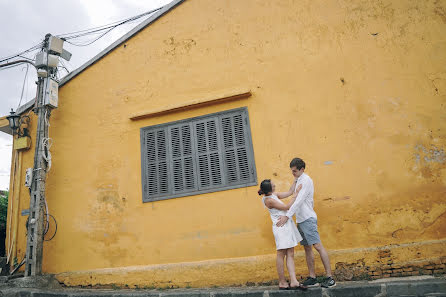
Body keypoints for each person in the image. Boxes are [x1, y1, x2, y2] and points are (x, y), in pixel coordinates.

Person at [276, 158, 336, 288]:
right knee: (307, 248)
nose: (293, 173)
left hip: (308, 219)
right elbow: (291, 193)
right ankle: (312, 277)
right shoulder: (298, 179)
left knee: (318, 246)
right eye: (292, 171)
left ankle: (330, 278)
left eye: (295, 171)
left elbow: (298, 201)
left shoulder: (306, 180)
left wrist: (287, 216)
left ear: (302, 169)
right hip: (301, 220)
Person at [259, 179, 307, 291]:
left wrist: (296, 181)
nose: (275, 185)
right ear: (270, 189)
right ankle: (282, 282)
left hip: (286, 225)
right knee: (281, 254)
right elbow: (287, 207)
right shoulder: (269, 200)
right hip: (280, 227)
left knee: (290, 252)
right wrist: (296, 194)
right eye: (272, 185)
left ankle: (294, 281)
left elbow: (289, 191)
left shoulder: (274, 195)